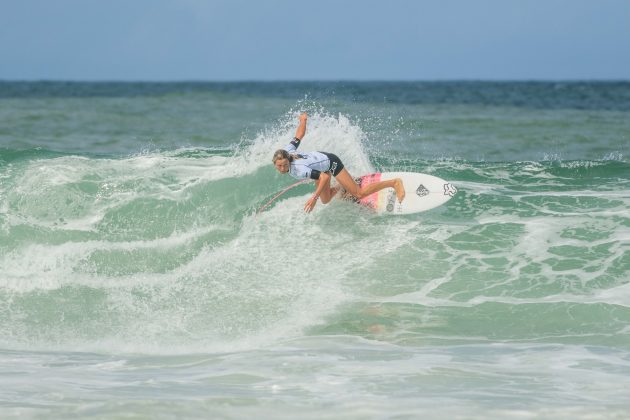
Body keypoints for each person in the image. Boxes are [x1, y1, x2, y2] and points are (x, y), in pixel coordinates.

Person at [272, 112, 405, 213]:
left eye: (285, 165)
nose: (283, 168)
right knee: (326, 199)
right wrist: (303, 120)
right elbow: (298, 136)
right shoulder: (286, 151)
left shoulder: (299, 170)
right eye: (280, 166)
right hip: (321, 164)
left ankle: (394, 182)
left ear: (288, 160)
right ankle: (344, 186)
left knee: (359, 194)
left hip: (331, 162)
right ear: (274, 163)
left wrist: (314, 198)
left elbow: (323, 177)